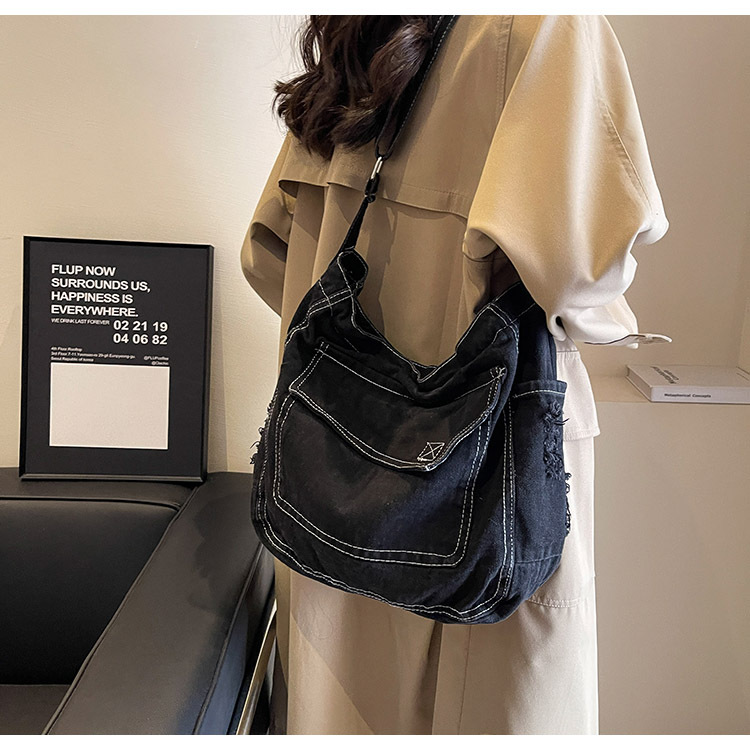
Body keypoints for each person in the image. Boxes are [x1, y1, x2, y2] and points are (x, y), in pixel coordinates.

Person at [241, 15, 669, 735]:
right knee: (493, 696)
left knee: (339, 703)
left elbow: (267, 257)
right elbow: (580, 270)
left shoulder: (357, 34)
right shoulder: (546, 25)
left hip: (326, 489)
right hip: (485, 476)